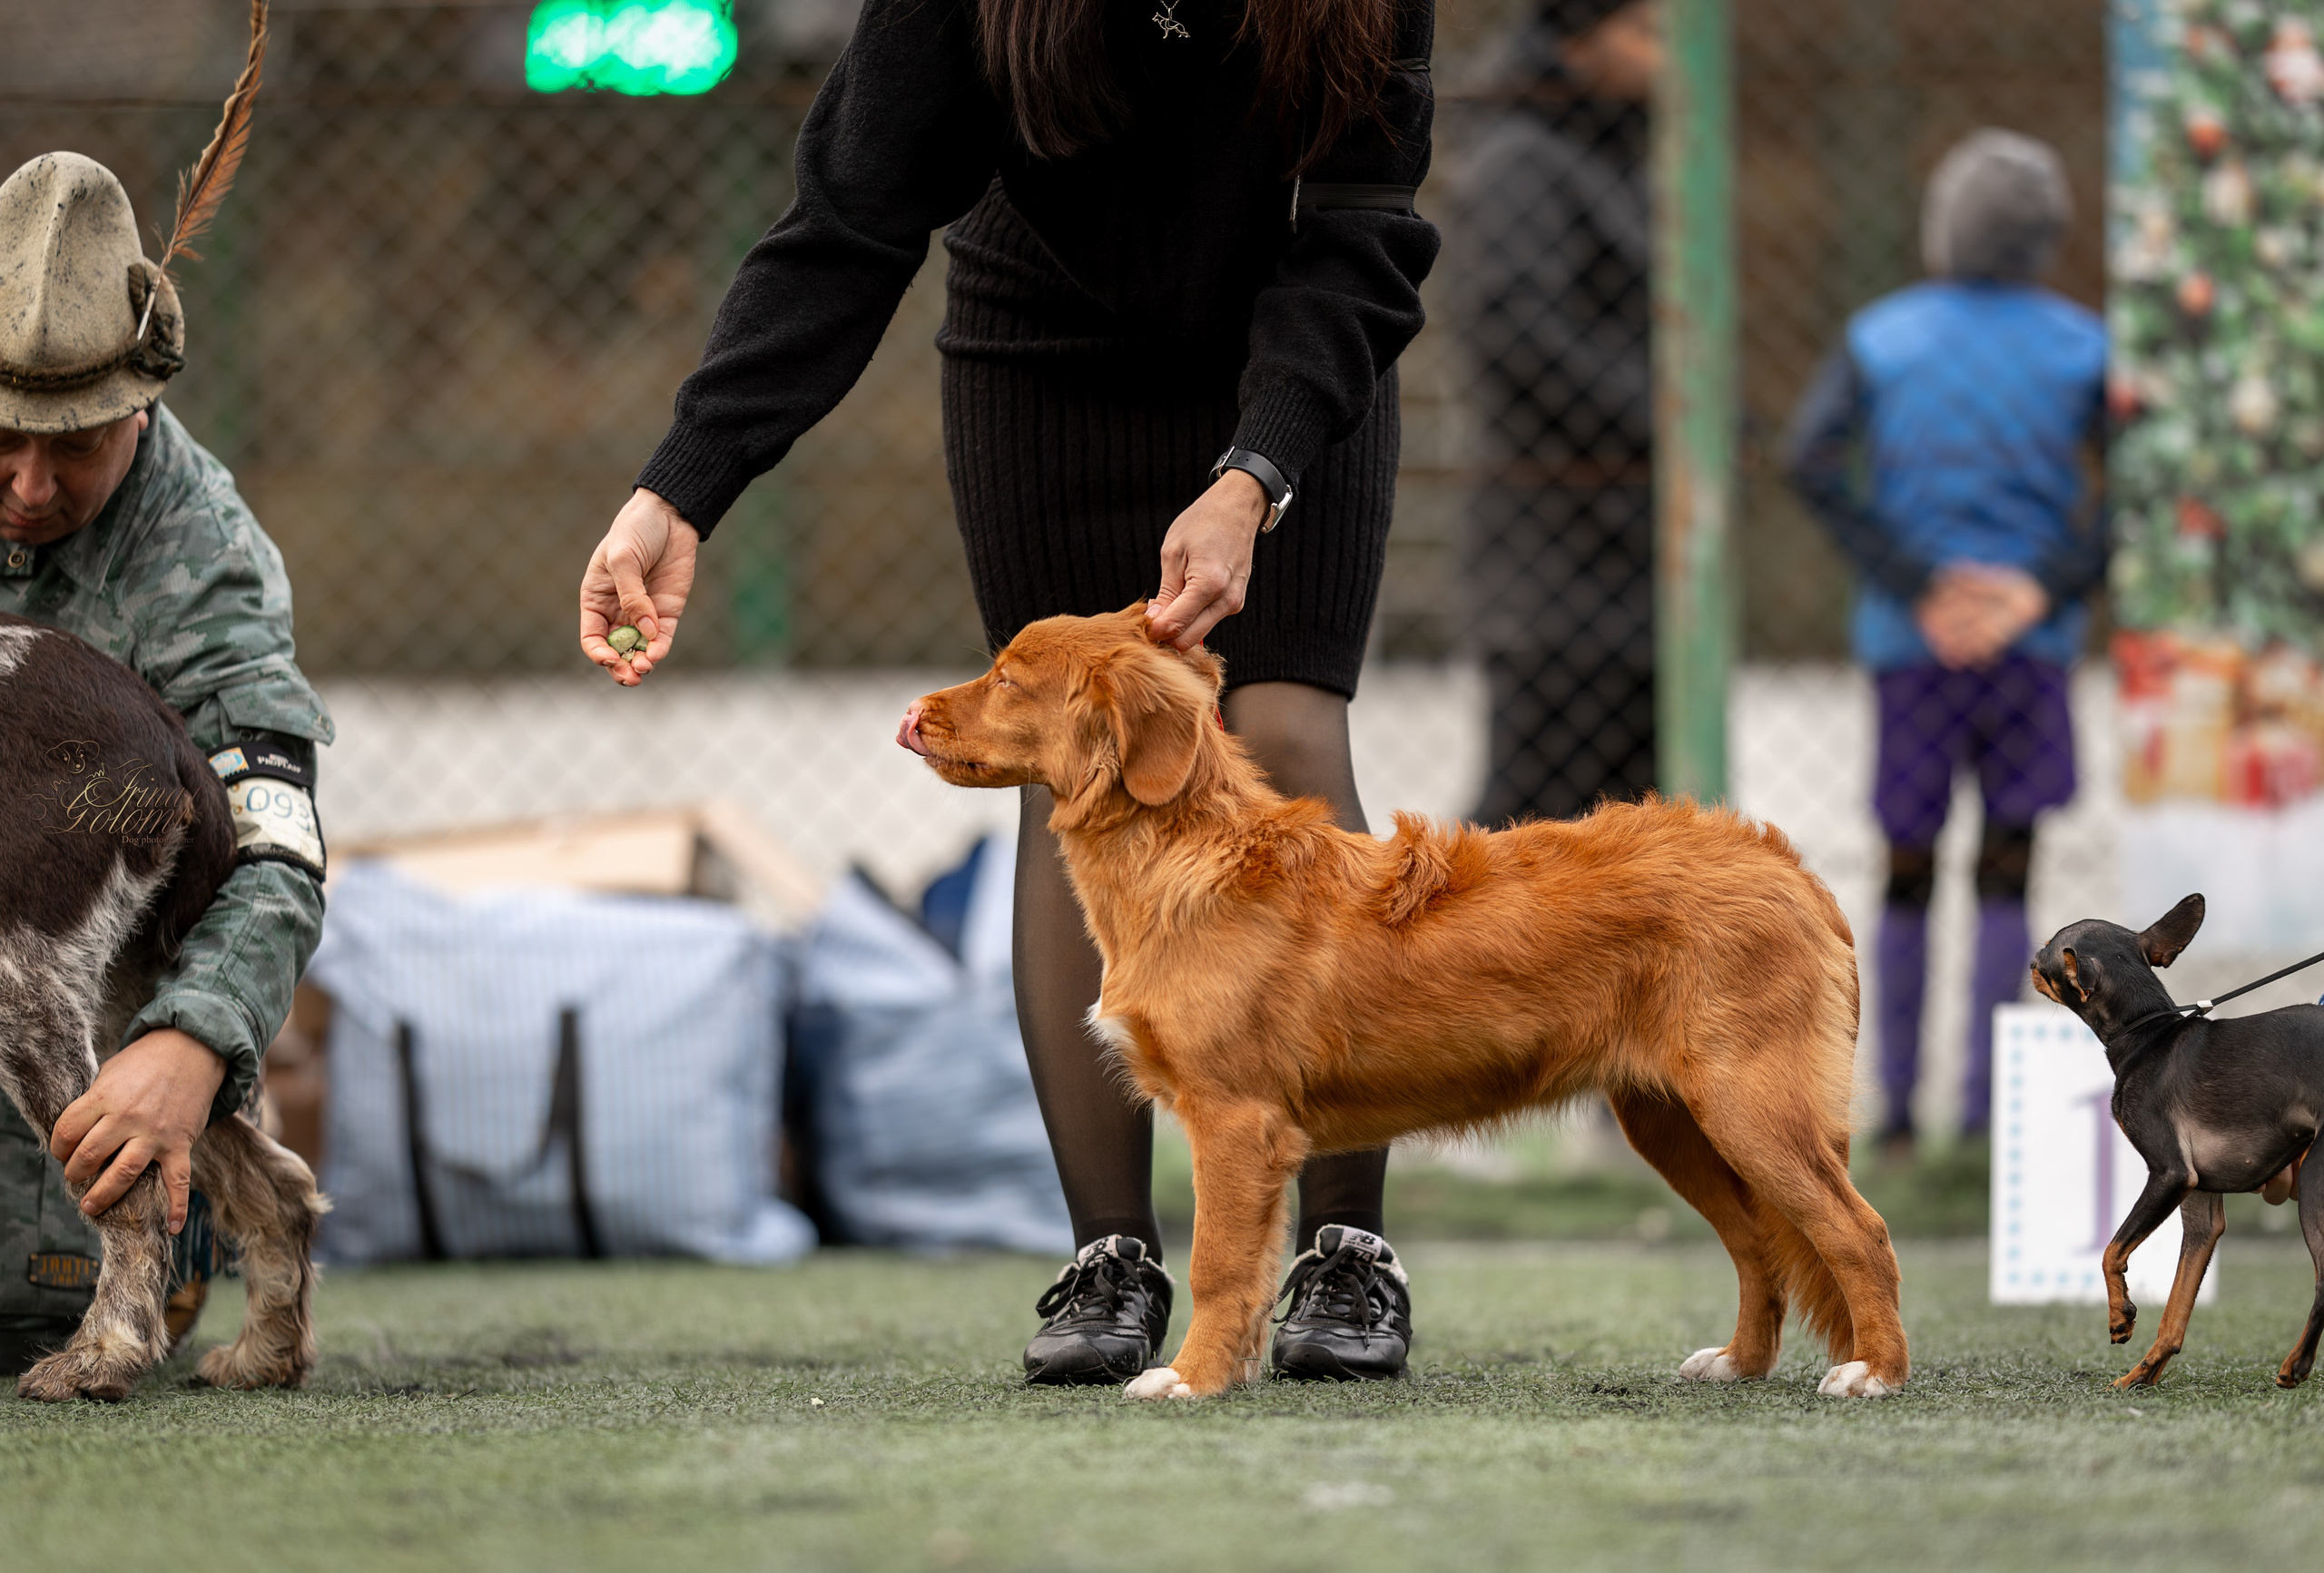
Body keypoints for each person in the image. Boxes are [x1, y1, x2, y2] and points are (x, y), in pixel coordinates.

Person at [579, 0, 1437, 1381]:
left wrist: (1254, 471)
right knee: (1071, 779)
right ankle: (1113, 1253)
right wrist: (682, 483)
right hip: (1043, 355)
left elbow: (1366, 230)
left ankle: (1346, 1251)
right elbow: (847, 228)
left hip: (1294, 362)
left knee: (1281, 726)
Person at [0, 152, 334, 1372]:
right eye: (2, 438)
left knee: (23, 1304)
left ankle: (157, 1274)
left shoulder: (208, 565)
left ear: (140, 403)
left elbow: (276, 854)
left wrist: (188, 1044)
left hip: (80, 1097)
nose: (29, 485)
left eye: (74, 445)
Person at [1785, 129, 2106, 1156]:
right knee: (2011, 867)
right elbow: (2143, 487)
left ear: (1940, 229)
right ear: (2046, 237)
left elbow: (1811, 460)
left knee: (1907, 866)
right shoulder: (2083, 346)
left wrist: (1919, 582)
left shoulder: (1883, 338)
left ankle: (1891, 1114)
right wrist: (2034, 590)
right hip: (2030, 645)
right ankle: (1986, 1111)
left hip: (1912, 648)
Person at [1447, 0, 1659, 826]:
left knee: (1635, 843)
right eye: (1647, 33)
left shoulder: (1619, 162)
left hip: (1634, 565)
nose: (1665, 57)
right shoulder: (1521, 162)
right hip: (1555, 574)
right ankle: (1445, 963)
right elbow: (1518, 334)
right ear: (1580, 41)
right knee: (1524, 835)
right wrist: (1666, 425)